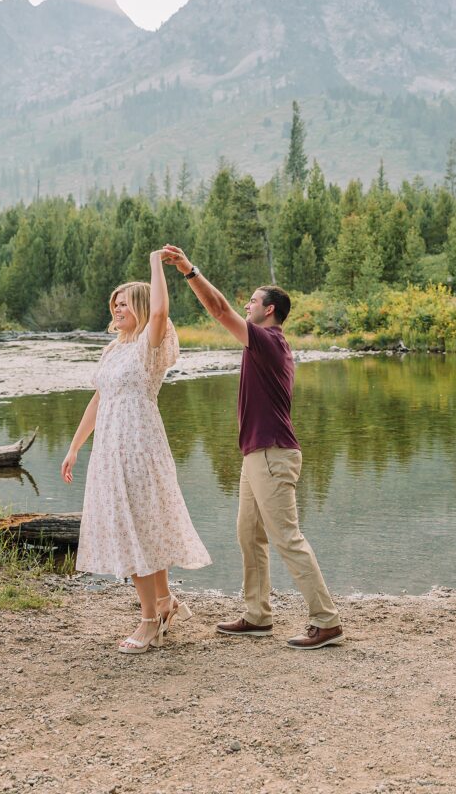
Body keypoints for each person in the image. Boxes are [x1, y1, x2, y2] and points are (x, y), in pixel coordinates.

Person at [162, 245, 343, 651]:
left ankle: (326, 621)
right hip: (257, 455)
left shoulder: (269, 341)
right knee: (249, 535)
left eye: (254, 302)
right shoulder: (261, 343)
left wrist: (189, 270)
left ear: (270, 310)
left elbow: (218, 309)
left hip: (272, 453)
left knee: (287, 538)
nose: (247, 305)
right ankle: (258, 615)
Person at [61, 250, 211, 654]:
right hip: (109, 450)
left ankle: (148, 621)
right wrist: (74, 447)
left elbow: (160, 312)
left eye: (125, 303)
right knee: (136, 524)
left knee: (139, 526)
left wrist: (156, 264)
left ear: (141, 307)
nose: (117, 308)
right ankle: (163, 604)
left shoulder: (149, 343)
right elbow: (100, 399)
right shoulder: (113, 349)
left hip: (140, 446)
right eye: (115, 303)